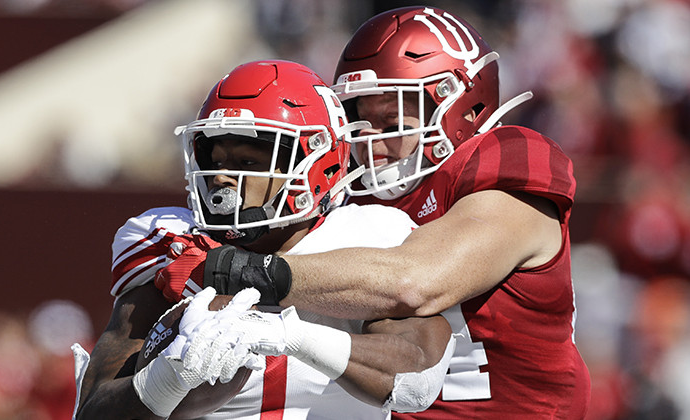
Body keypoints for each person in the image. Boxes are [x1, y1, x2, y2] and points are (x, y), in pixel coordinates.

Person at [191, 7, 591, 419]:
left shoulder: (506, 157)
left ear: (464, 107)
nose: (372, 138)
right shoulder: (352, 192)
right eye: (359, 119)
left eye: (392, 119)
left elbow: (414, 282)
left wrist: (241, 271)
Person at [73, 59, 455, 419]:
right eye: (215, 160)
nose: (221, 177)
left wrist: (285, 334)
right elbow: (92, 409)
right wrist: (163, 384)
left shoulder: (368, 234)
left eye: (248, 162)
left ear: (318, 164)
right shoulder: (171, 241)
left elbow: (416, 379)